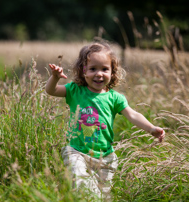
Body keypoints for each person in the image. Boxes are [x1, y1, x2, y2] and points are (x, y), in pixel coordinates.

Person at [45, 41, 165, 200]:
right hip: (77, 151)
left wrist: (151, 128)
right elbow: (51, 90)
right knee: (81, 180)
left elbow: (133, 115)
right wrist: (54, 77)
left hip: (105, 157)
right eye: (93, 69)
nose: (99, 74)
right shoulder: (74, 90)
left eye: (105, 69)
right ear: (83, 70)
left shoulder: (115, 98)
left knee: (102, 196)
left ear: (113, 72)